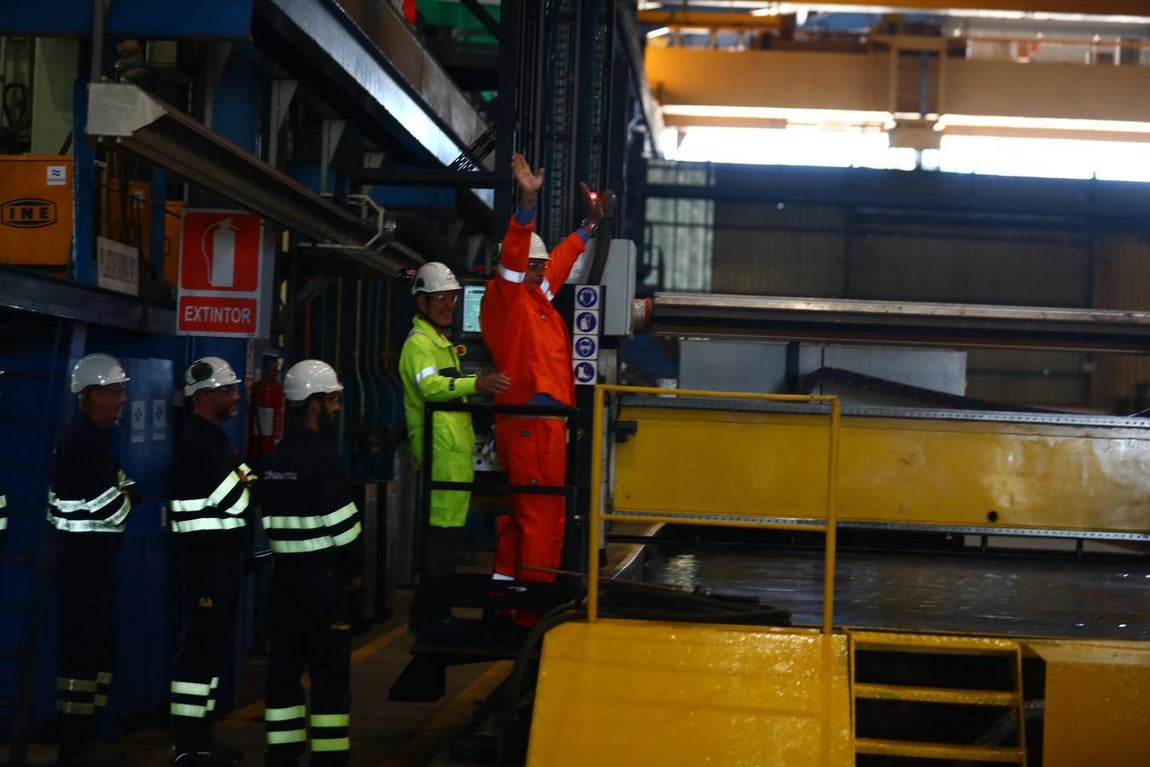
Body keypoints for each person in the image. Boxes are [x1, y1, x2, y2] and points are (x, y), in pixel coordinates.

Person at [479, 153, 608, 624]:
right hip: (532, 423)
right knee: (542, 517)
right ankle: (532, 612)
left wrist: (588, 228)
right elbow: (517, 261)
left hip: (542, 423)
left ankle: (506, 598)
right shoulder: (508, 298)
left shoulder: (536, 297)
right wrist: (527, 202)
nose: (539, 269)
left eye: (538, 264)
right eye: (531, 265)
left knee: (522, 515)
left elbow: (560, 260)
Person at [255, 360, 362, 767]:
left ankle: (282, 755)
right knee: (329, 677)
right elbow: (344, 529)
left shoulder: (274, 459)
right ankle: (329, 759)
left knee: (283, 673)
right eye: (332, 400)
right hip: (323, 584)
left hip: (284, 580)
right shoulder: (323, 459)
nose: (335, 408)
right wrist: (353, 571)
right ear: (314, 403)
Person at [399, 262, 509, 630]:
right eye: (441, 298)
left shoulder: (442, 345)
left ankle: (433, 612)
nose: (449, 304)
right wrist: (476, 385)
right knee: (440, 541)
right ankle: (431, 616)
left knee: (448, 538)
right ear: (422, 303)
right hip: (439, 455)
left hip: (453, 456)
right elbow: (430, 389)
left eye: (452, 297)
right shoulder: (419, 345)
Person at [47, 353, 135, 766]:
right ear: (93, 394)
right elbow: (114, 508)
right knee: (82, 655)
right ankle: (74, 746)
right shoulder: (82, 442)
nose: (123, 399)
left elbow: (121, 489)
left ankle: (87, 735)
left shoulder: (93, 439)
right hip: (83, 565)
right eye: (117, 390)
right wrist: (127, 497)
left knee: (99, 650)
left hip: (94, 564)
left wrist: (125, 493)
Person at [169, 357, 250, 766]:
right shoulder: (199, 444)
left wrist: (241, 476)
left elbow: (240, 485)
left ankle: (200, 739)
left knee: (210, 653)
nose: (236, 396)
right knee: (199, 653)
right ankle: (188, 746)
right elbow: (240, 500)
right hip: (206, 564)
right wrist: (243, 479)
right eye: (227, 391)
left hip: (217, 562)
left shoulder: (212, 439)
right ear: (203, 397)